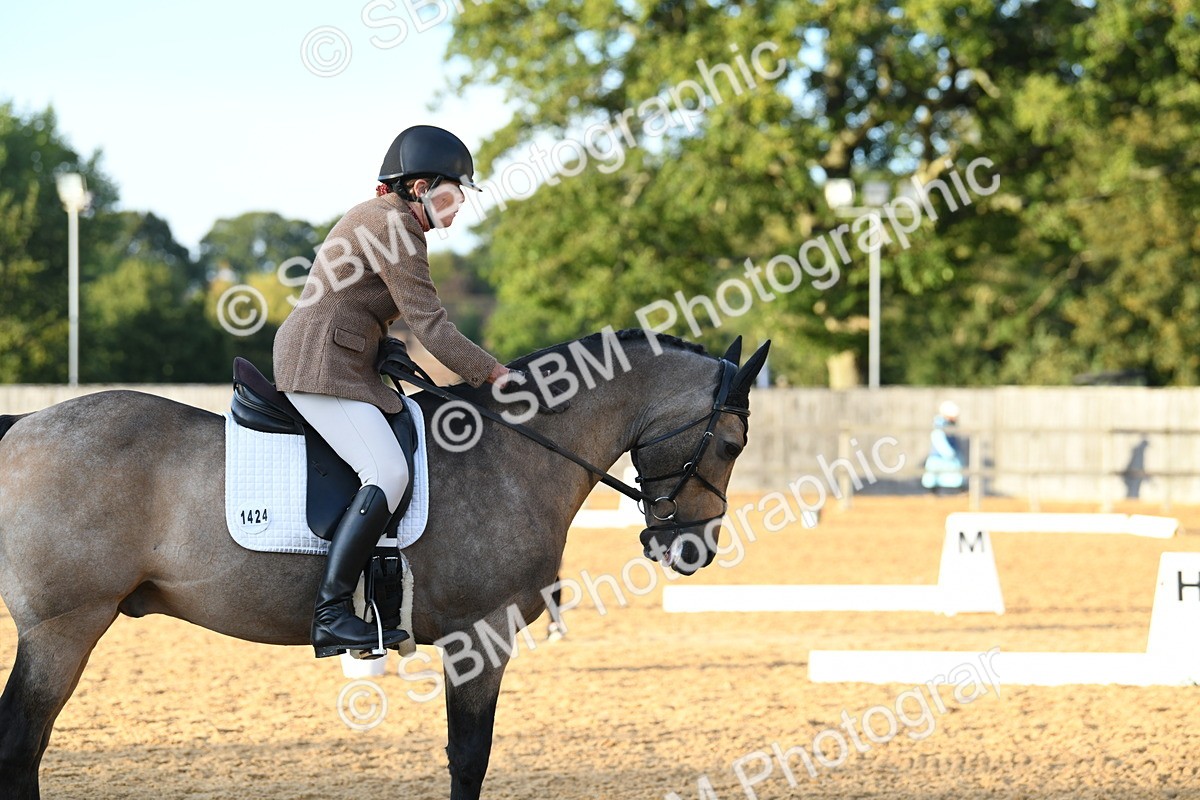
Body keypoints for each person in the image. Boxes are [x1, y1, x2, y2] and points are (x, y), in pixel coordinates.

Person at [273, 125, 511, 658]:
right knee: (388, 472)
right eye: (452, 195)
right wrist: (495, 374)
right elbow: (433, 326)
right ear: (421, 186)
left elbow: (364, 304)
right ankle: (332, 612)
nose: (458, 209)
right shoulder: (396, 225)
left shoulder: (384, 218)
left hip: (345, 360)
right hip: (322, 365)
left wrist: (383, 346)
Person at [921, 400, 964, 494]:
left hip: (948, 454)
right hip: (940, 455)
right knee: (934, 476)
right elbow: (938, 438)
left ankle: (961, 490)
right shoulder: (940, 423)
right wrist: (947, 452)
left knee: (955, 474)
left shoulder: (949, 424)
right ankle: (932, 492)